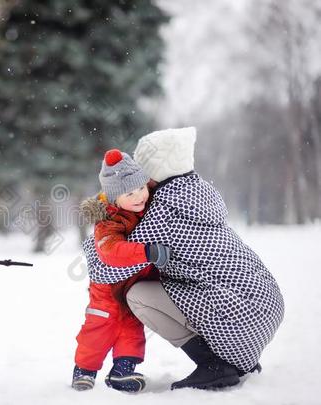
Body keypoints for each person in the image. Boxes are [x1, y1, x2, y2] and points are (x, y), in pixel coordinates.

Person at [83, 127, 284, 390]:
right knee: (195, 288)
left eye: (142, 175)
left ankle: (214, 364)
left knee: (137, 295)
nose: (139, 186)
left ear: (153, 170)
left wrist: (94, 240)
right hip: (267, 303)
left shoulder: (162, 211)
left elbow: (105, 269)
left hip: (240, 315)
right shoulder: (198, 191)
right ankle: (238, 358)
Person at [72, 149, 171, 392]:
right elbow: (111, 252)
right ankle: (83, 371)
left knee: (132, 329)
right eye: (130, 193)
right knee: (98, 329)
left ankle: (122, 372)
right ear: (116, 198)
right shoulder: (108, 222)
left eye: (141, 188)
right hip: (107, 291)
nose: (139, 196)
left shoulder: (145, 205)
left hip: (133, 287)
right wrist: (146, 252)